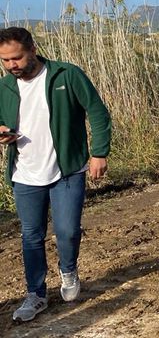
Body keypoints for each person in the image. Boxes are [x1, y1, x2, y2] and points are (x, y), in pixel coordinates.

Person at [0, 27, 112, 322]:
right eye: (5, 60)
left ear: (33, 49)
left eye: (17, 58)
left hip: (67, 170)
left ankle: (68, 269)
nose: (12, 65)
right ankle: (35, 294)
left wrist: (99, 152)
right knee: (31, 236)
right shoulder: (5, 87)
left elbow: (98, 112)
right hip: (24, 173)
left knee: (67, 230)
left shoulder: (67, 75)